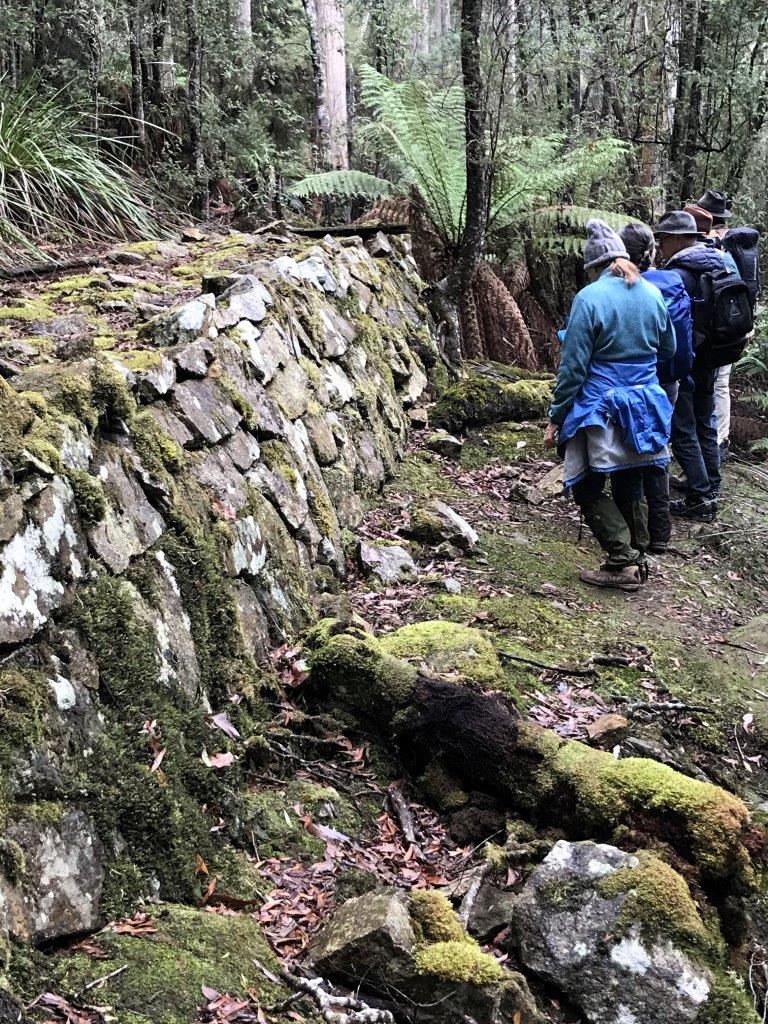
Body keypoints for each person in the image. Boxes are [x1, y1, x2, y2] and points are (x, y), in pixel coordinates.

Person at [544, 219, 675, 591]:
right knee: (630, 478)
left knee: (585, 484)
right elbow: (668, 349)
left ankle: (622, 560)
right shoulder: (651, 292)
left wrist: (556, 416)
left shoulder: (589, 298)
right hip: (645, 404)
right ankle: (639, 557)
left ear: (594, 266)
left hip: (600, 406)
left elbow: (573, 368)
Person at [619, 222, 693, 554]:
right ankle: (661, 532)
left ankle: (637, 532)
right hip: (668, 380)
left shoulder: (626, 289)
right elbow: (671, 344)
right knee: (658, 447)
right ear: (651, 252)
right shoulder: (671, 281)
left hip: (636, 380)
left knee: (630, 450)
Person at [654, 210, 727, 521]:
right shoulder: (718, 261)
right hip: (714, 356)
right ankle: (712, 488)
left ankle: (699, 498)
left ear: (678, 239)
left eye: (662, 240)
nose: (659, 247)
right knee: (705, 422)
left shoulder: (680, 274)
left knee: (683, 427)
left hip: (688, 360)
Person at [692, 190, 738, 460]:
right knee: (720, 384)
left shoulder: (710, 245)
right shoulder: (733, 245)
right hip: (732, 325)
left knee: (710, 384)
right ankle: (720, 439)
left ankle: (711, 443)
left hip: (711, 329)